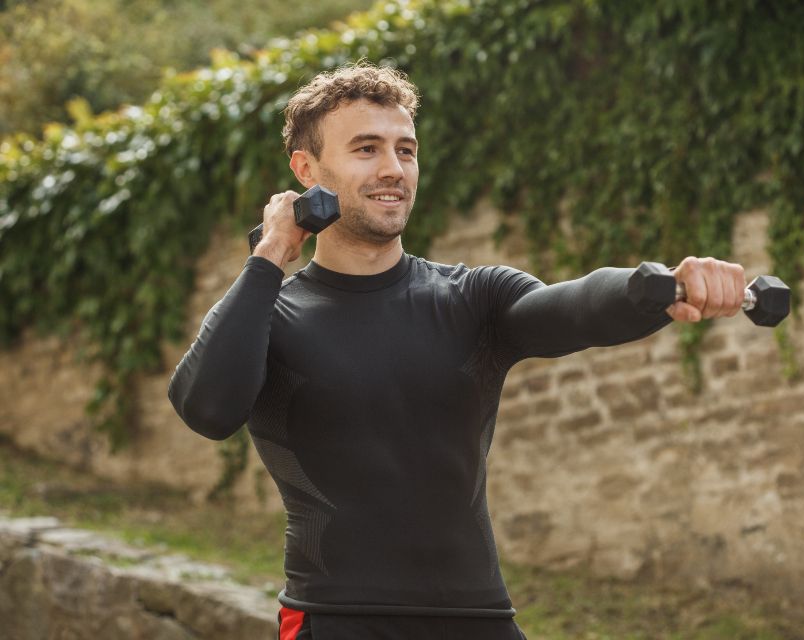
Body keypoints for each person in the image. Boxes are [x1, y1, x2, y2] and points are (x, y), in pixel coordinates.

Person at [168, 62, 746, 640]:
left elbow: (569, 310)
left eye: (406, 150)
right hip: (337, 623)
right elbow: (208, 408)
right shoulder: (268, 314)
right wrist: (271, 250)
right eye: (366, 149)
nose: (394, 169)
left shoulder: (474, 297)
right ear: (306, 170)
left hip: (480, 621)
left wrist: (657, 286)